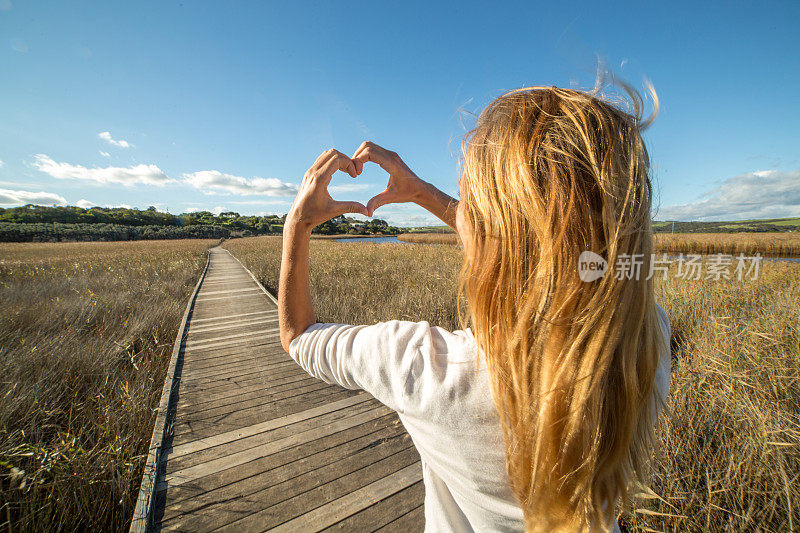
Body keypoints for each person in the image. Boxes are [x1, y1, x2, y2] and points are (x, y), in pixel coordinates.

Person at [278, 84, 671, 532]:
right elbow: (549, 252)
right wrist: (423, 192)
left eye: (471, 199)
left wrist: (298, 223)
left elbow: (298, 337)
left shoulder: (424, 366)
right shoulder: (643, 338)